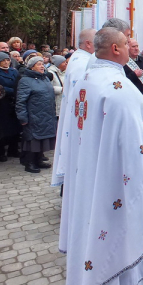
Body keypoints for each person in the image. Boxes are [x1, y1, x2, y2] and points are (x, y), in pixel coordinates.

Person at [58, 27, 143, 285]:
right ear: (116, 49)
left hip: (88, 170)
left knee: (91, 220)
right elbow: (141, 144)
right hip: (116, 181)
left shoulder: (84, 80)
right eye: (126, 45)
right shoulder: (120, 89)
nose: (132, 54)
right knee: (119, 226)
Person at [51, 28, 97, 187]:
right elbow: (82, 96)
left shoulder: (81, 58)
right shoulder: (82, 62)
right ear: (89, 43)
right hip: (80, 119)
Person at [16, 56, 56, 173]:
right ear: (32, 67)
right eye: (39, 64)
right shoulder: (25, 81)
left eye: (43, 64)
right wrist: (22, 117)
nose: (42, 66)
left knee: (42, 140)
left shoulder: (45, 79)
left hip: (46, 115)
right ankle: (30, 163)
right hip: (33, 116)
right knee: (32, 140)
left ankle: (38, 160)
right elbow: (20, 101)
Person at [0, 52, 21, 160]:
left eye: (8, 60)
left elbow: (19, 83)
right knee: (1, 129)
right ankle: (0, 153)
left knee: (15, 127)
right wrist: (14, 90)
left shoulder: (13, 71)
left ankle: (13, 150)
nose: (6, 62)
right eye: (3, 60)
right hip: (2, 102)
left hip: (14, 101)